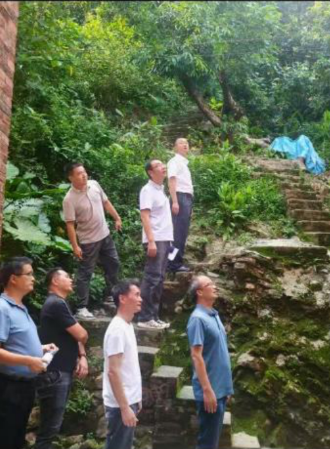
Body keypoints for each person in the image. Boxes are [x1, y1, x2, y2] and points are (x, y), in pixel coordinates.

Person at [0, 257, 57, 449]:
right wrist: (28, 360)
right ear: (13, 279)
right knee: (2, 440)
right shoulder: (2, 308)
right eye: (29, 274)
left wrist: (41, 348)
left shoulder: (21, 307)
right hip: (8, 388)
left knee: (16, 438)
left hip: (24, 387)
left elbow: (15, 343)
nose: (33, 278)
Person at [34, 268, 89, 449]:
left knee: (51, 427)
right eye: (66, 276)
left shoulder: (61, 303)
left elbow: (76, 335)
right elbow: (81, 334)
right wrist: (81, 336)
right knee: (49, 429)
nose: (71, 279)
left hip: (59, 371)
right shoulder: (56, 304)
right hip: (55, 373)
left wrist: (82, 355)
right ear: (55, 281)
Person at [63, 162, 123, 319]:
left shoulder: (94, 185)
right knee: (85, 273)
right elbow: (70, 224)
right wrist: (75, 246)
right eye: (79, 173)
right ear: (71, 177)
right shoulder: (69, 199)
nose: (84, 175)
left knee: (113, 263)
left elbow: (106, 202)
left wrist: (117, 218)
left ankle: (111, 295)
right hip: (88, 241)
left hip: (105, 234)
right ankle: (81, 307)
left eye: (84, 172)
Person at [186, 275, 234, 449]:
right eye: (210, 284)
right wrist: (207, 390)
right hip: (210, 391)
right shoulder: (197, 319)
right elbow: (196, 356)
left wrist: (226, 387)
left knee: (212, 442)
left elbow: (219, 353)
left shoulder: (214, 315)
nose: (215, 287)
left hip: (220, 389)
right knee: (207, 443)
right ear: (199, 292)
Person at [103, 279, 144, 449]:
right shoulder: (117, 329)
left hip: (128, 400)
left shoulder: (127, 325)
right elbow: (113, 371)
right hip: (120, 404)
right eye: (137, 295)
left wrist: (136, 398)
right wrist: (125, 407)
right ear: (122, 298)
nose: (141, 299)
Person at [137, 159, 173, 330]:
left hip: (164, 238)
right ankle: (144, 317)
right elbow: (145, 216)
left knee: (159, 279)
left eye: (162, 164)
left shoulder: (161, 190)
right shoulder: (147, 190)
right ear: (151, 172)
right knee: (152, 278)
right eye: (158, 165)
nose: (163, 167)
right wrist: (151, 241)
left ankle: (154, 316)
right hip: (155, 239)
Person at [167, 137, 194, 273]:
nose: (185, 144)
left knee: (182, 232)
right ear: (175, 147)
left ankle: (175, 262)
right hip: (180, 197)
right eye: (181, 143)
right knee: (177, 232)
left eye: (186, 143)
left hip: (186, 198)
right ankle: (173, 264)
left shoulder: (184, 164)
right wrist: (175, 201)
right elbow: (172, 181)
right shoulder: (174, 161)